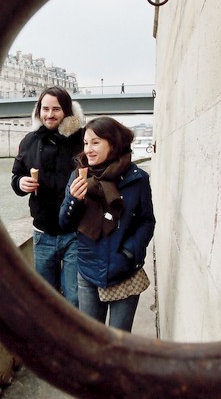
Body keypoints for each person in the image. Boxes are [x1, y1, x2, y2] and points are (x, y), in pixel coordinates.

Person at [59, 117, 155, 331]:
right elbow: (64, 223)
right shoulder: (78, 176)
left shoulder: (137, 179)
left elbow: (146, 222)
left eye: (95, 142)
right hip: (88, 270)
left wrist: (129, 253)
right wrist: (74, 200)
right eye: (86, 143)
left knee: (118, 338)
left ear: (113, 144)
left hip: (124, 271)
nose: (88, 150)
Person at [12, 86, 85, 307]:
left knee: (74, 297)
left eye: (56, 109)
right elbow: (17, 175)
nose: (49, 114)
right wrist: (20, 183)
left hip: (76, 232)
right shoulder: (29, 141)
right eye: (45, 109)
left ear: (67, 111)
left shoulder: (82, 139)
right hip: (43, 233)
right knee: (47, 298)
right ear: (38, 111)